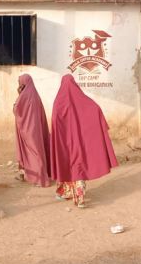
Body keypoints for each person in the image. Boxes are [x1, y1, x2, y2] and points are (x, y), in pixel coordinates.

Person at [50, 74, 118, 208]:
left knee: (68, 166)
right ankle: (79, 196)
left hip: (65, 145)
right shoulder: (83, 100)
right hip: (80, 144)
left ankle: (68, 193)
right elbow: (95, 109)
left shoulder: (58, 102)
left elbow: (55, 124)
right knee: (79, 167)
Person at [13, 74, 51, 187]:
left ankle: (41, 179)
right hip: (36, 129)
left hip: (28, 130)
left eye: (20, 82)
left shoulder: (24, 96)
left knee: (34, 152)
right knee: (36, 150)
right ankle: (26, 174)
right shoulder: (35, 95)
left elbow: (17, 110)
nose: (19, 84)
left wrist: (16, 102)